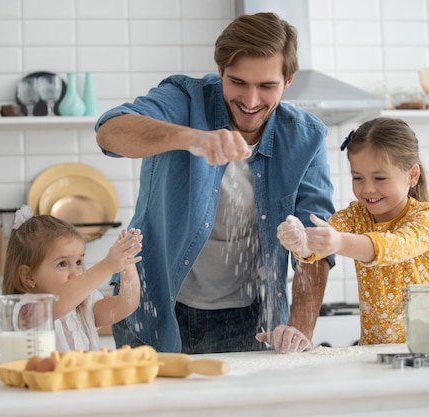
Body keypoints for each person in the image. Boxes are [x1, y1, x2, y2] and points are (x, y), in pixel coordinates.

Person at [94, 12, 335, 354]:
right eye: (238, 82)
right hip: (153, 308)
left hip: (250, 322)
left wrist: (298, 330)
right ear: (220, 71)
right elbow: (110, 132)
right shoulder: (183, 99)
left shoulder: (306, 138)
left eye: (267, 86)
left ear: (288, 80)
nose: (251, 101)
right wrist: (191, 138)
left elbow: (316, 246)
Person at [277, 117, 429, 345]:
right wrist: (302, 243)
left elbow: (391, 246)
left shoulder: (426, 218)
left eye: (379, 178)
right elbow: (325, 238)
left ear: (412, 175)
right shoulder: (356, 215)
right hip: (376, 352)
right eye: (358, 177)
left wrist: (339, 243)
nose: (368, 188)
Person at [2, 205, 143, 351]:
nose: (75, 273)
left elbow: (125, 304)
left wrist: (126, 262)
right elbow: (58, 305)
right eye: (62, 264)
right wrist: (107, 266)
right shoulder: (25, 309)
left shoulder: (85, 304)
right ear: (28, 276)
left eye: (78, 263)